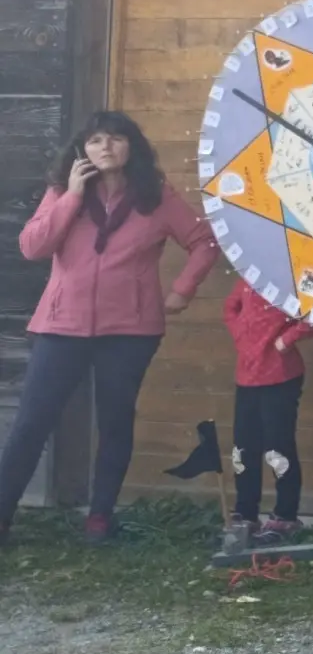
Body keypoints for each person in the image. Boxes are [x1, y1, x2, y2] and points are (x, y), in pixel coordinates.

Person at [0, 112, 215, 545]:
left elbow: (204, 242)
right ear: (83, 151)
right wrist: (71, 197)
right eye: (96, 140)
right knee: (31, 423)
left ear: (131, 147)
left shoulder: (155, 195)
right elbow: (32, 246)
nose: (106, 147)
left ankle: (99, 519)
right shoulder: (63, 191)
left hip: (130, 330)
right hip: (61, 326)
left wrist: (182, 290)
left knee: (115, 423)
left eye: (115, 139)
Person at [220, 278, 313, 547]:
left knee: (278, 448)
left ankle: (285, 516)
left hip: (280, 376)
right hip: (246, 375)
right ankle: (246, 513)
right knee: (243, 448)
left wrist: (285, 341)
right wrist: (240, 334)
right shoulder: (248, 277)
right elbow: (229, 307)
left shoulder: (293, 278)